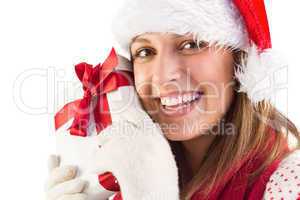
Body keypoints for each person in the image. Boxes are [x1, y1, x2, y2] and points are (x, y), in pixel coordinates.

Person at [45, 0, 300, 199]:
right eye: (145, 51)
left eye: (191, 44)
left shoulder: (289, 183)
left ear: (241, 61)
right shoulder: (124, 181)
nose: (163, 76)